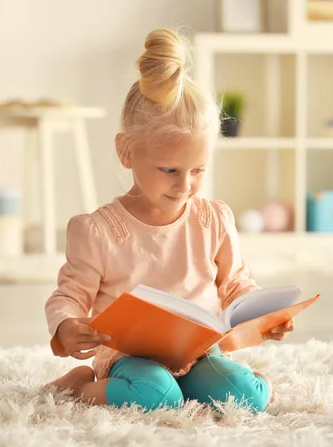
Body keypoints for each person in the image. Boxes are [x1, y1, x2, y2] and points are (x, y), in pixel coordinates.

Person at [43, 28, 294, 413]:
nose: (185, 184)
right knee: (157, 397)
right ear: (126, 152)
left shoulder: (213, 219)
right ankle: (78, 386)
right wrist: (66, 326)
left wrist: (263, 317)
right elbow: (70, 295)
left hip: (197, 352)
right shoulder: (97, 231)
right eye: (169, 170)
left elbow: (236, 285)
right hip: (130, 357)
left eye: (198, 170)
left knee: (251, 398)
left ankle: (196, 385)